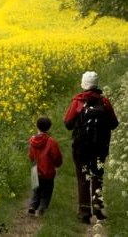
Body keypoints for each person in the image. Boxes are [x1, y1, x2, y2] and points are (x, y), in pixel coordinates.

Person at [64, 71, 119, 224]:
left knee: (83, 177)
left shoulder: (78, 101)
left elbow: (68, 123)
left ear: (84, 84)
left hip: (81, 148)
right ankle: (97, 206)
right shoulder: (104, 101)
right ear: (96, 84)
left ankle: (84, 212)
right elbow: (114, 124)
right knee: (97, 176)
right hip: (100, 147)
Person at [27, 116, 63, 216]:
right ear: (49, 127)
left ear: (37, 126)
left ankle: (32, 207)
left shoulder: (32, 140)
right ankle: (42, 208)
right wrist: (58, 164)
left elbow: (30, 155)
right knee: (47, 191)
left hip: (35, 170)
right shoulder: (51, 141)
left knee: (36, 190)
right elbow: (56, 156)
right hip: (47, 170)